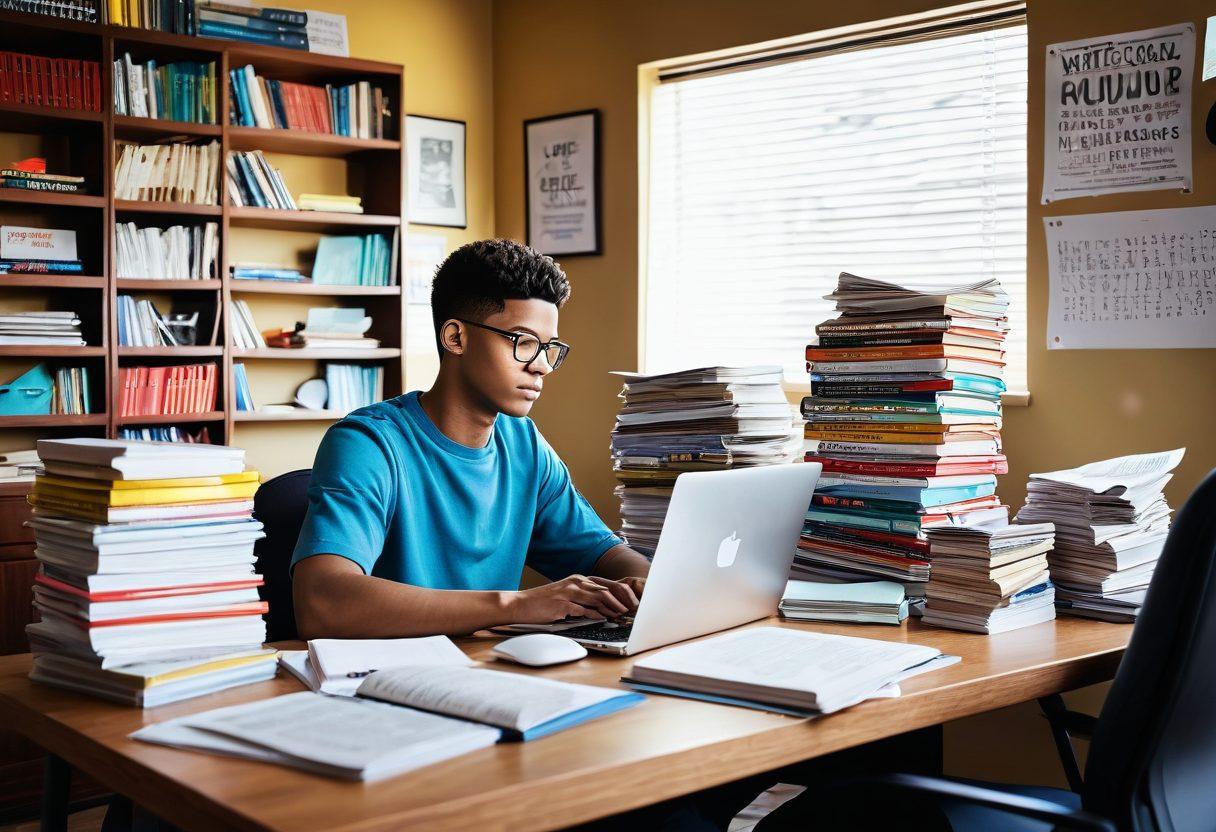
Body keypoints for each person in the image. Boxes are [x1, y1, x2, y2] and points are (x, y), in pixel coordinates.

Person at [291, 239, 653, 639]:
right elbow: (321, 603)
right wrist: (515, 605)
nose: (542, 365)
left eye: (549, 347)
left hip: (491, 669)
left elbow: (604, 553)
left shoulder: (525, 446)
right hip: (388, 681)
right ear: (456, 338)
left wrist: (646, 586)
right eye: (523, 342)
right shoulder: (367, 444)